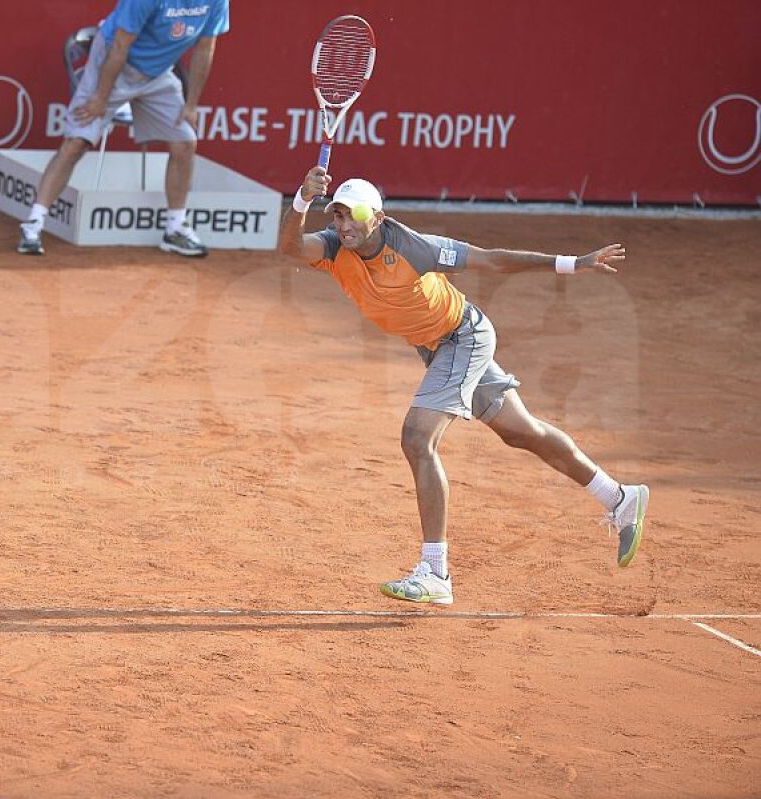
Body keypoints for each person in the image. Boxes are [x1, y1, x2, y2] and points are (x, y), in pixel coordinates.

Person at [278, 166, 649, 605]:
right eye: (336, 215)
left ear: (376, 218)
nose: (343, 225)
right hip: (435, 347)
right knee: (521, 432)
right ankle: (619, 497)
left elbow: (490, 258)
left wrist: (572, 263)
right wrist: (301, 200)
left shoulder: (416, 248)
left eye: (352, 215)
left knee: (417, 439)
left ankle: (435, 573)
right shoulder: (334, 247)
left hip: (463, 337)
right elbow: (289, 248)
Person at [16, 0, 230, 258]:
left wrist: (191, 105)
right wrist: (100, 99)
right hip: (112, 60)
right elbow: (119, 45)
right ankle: (33, 224)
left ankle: (175, 229)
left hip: (157, 74)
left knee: (184, 143)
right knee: (76, 143)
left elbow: (205, 48)